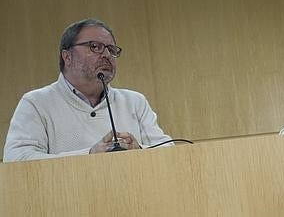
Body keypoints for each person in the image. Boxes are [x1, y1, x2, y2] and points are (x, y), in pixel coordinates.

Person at [3, 19, 172, 162]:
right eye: (95, 46)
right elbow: (16, 158)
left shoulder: (134, 101)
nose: (106, 54)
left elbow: (169, 152)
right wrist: (90, 155)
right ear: (67, 57)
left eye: (111, 49)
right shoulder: (36, 103)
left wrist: (140, 149)